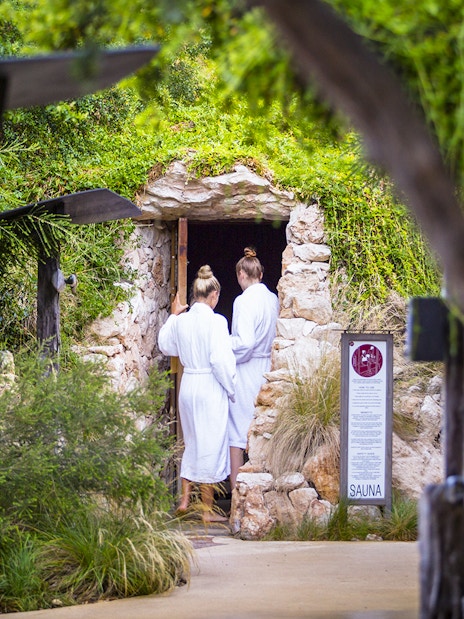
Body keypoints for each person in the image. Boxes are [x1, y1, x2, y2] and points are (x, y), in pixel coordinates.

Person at [158, 265, 236, 522]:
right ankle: (206, 511)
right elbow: (220, 361)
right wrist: (231, 388)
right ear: (213, 295)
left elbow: (166, 345)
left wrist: (172, 315)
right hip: (209, 386)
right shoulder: (217, 322)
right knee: (210, 445)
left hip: (188, 384)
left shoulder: (182, 321)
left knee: (191, 442)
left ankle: (183, 501)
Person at [229, 247, 279, 489]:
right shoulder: (273, 298)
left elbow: (245, 342)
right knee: (263, 430)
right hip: (267, 368)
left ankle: (238, 499)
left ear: (241, 273)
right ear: (260, 273)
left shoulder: (243, 300)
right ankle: (262, 492)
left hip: (247, 368)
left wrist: (222, 344)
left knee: (237, 433)